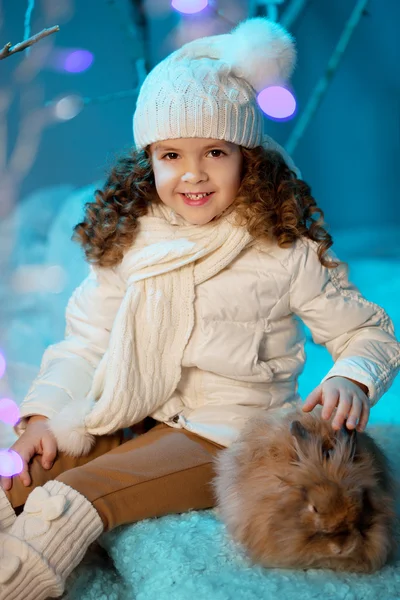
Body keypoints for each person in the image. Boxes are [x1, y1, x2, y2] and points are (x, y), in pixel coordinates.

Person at [0, 17, 399, 600]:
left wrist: (352, 378)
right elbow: (86, 342)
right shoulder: (132, 239)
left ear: (247, 157)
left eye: (215, 151)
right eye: (170, 154)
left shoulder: (283, 247)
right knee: (24, 472)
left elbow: (369, 333)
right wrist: (42, 417)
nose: (192, 173)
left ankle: (20, 578)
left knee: (77, 495)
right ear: (149, 160)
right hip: (137, 405)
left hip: (221, 430)